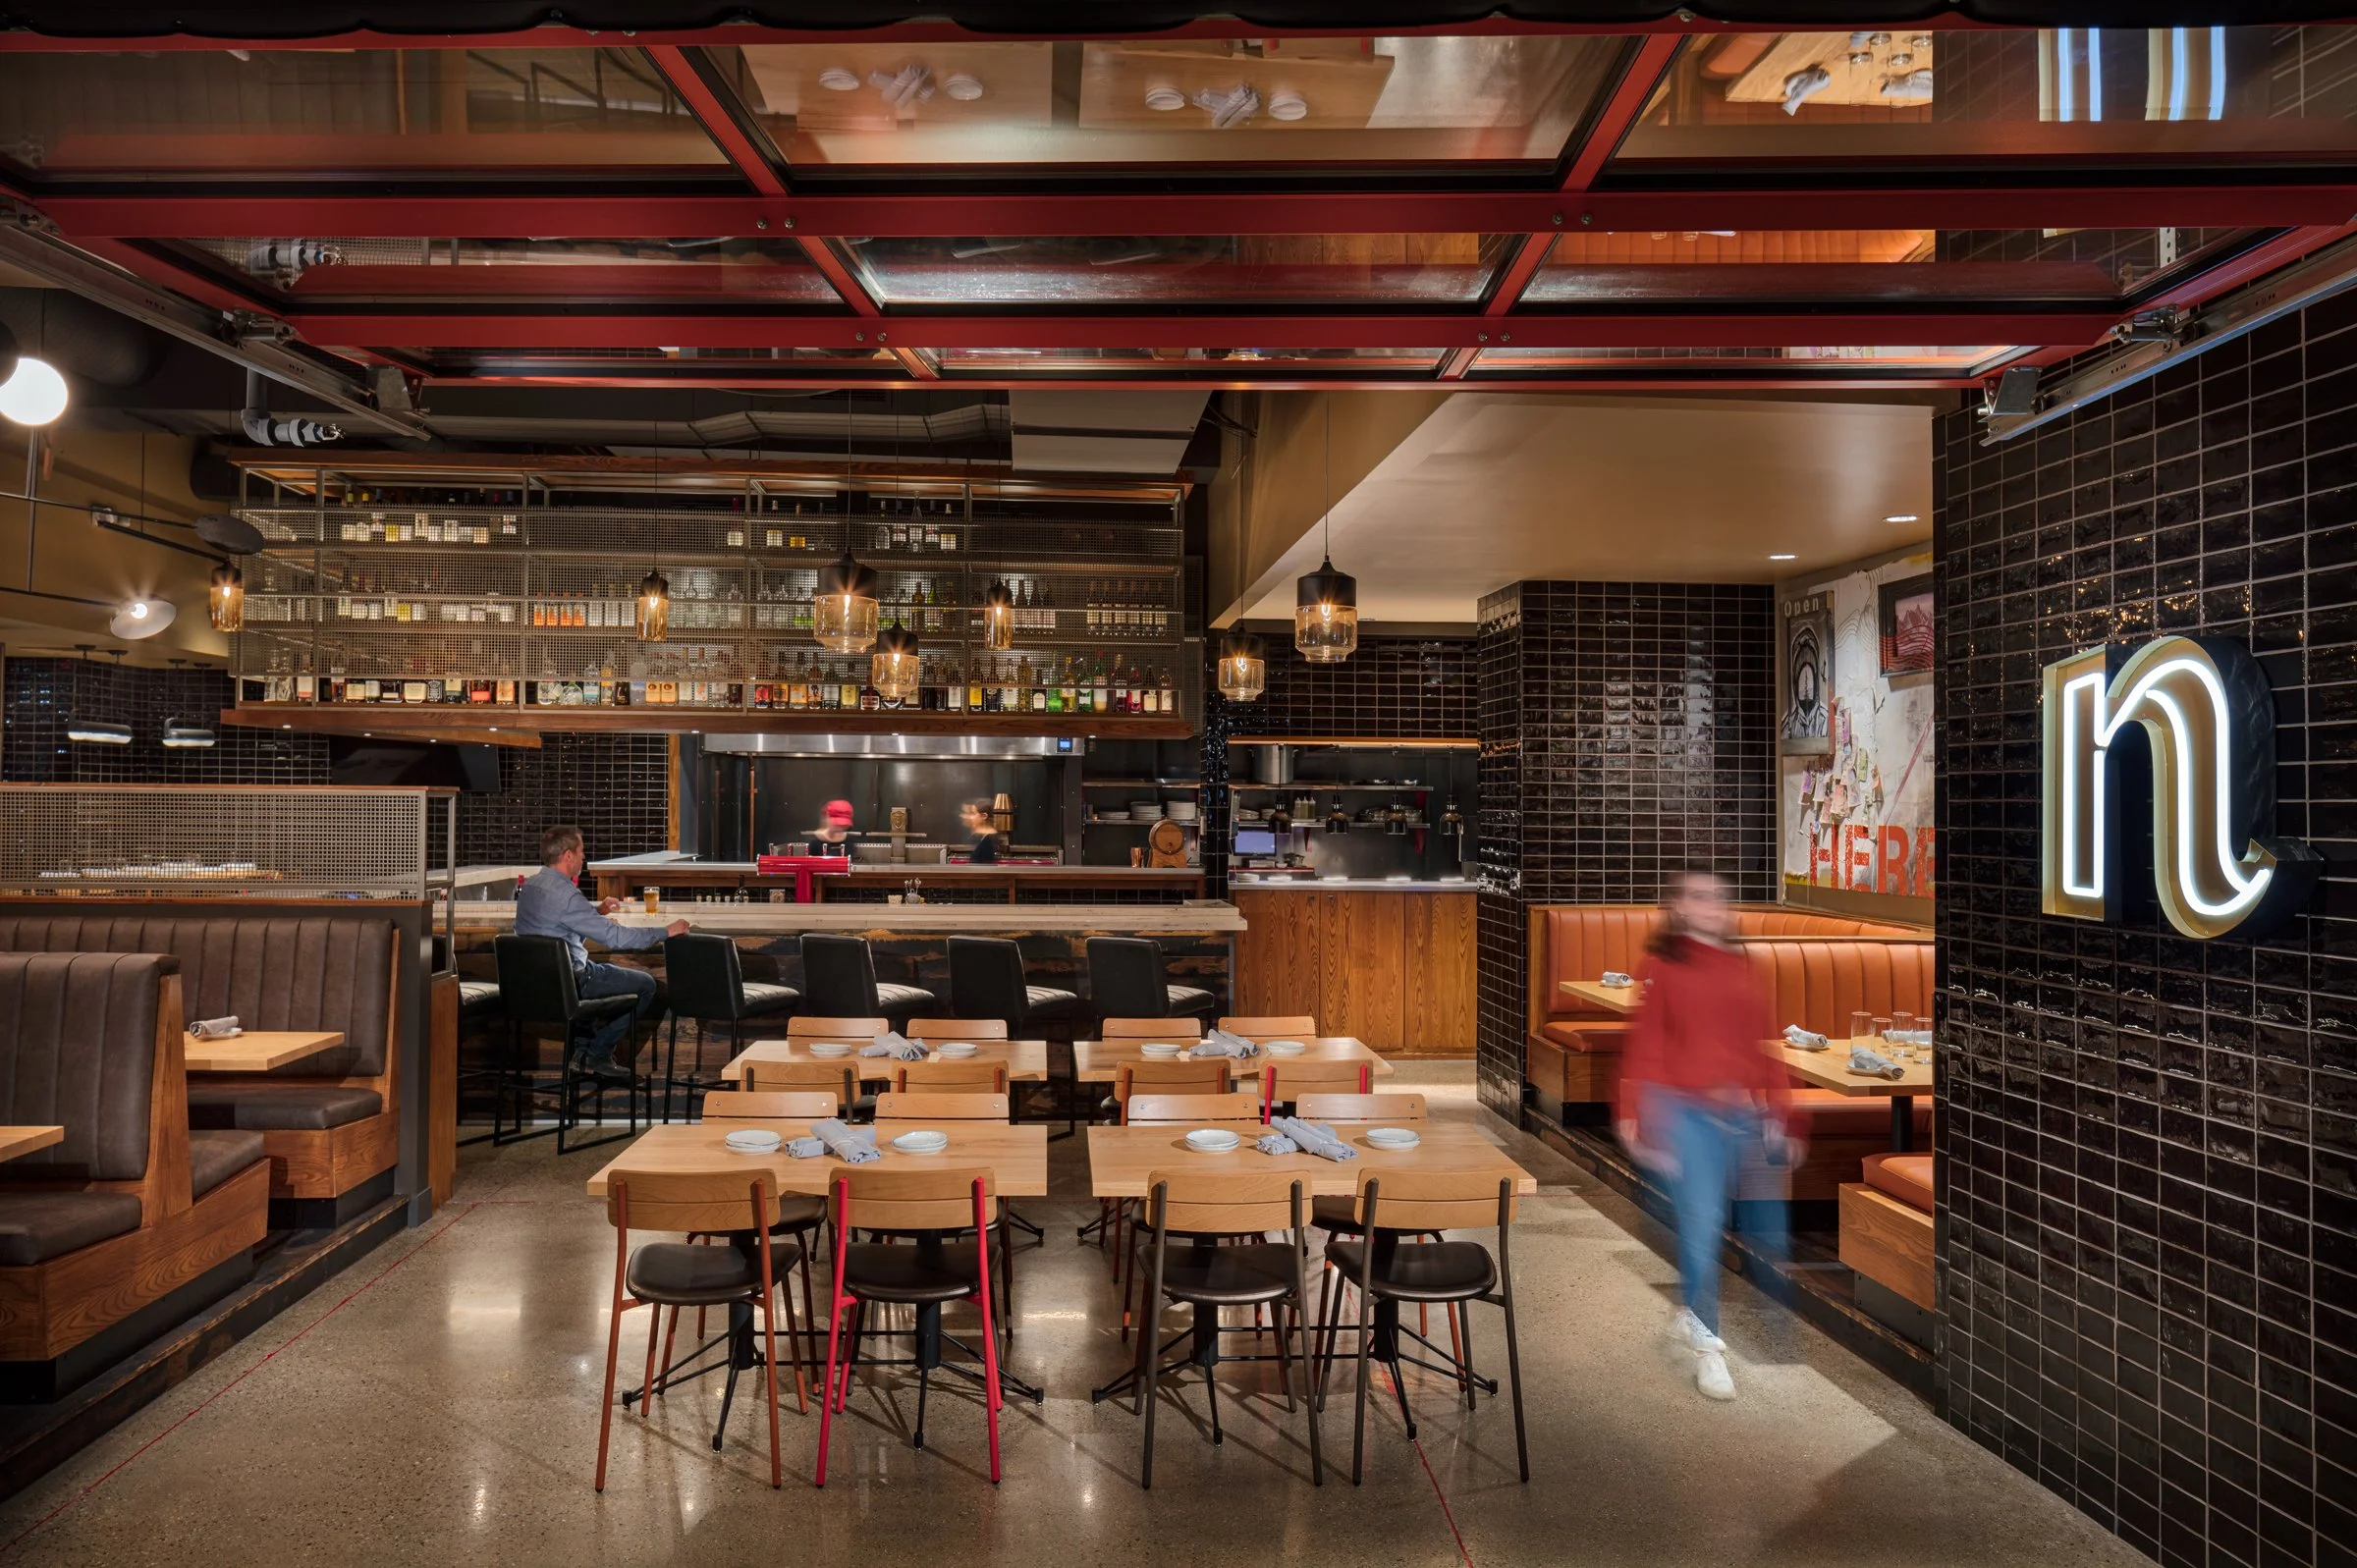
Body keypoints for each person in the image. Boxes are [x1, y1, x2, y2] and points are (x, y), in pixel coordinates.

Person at [1615, 867, 1800, 1403]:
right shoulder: (1661, 967)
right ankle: (1708, 1347)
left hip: (1734, 1110)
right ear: (1678, 908)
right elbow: (1644, 1047)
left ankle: (1696, 1309)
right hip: (1679, 1110)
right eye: (1698, 897)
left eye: (1718, 896)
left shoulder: (1741, 966)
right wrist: (1635, 1118)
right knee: (1704, 1220)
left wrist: (1779, 1113)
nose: (1712, 905)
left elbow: (1760, 1042)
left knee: (1768, 1227)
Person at [516, 825, 686, 1082]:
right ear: (568, 856)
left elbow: (556, 923)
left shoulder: (530, 887)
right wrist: (666, 931)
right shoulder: (566, 895)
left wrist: (595, 912)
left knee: (593, 980)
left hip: (533, 986)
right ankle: (596, 1054)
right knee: (646, 986)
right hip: (569, 985)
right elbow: (616, 938)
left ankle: (581, 1055)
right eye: (581, 851)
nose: (585, 857)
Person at [959, 798, 1002, 864]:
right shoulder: (985, 838)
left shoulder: (989, 841)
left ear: (984, 816)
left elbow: (985, 870)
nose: (970, 817)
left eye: (973, 813)